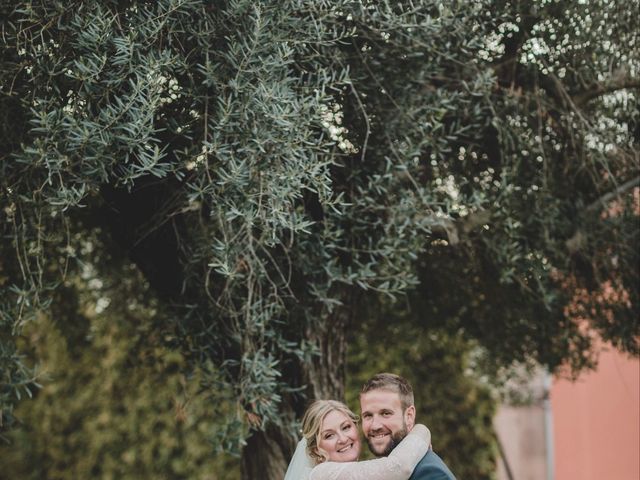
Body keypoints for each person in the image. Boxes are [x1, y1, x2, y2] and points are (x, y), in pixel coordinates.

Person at [284, 399, 431, 480]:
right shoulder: (322, 474)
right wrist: (421, 430)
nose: (342, 439)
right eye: (329, 435)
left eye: (346, 427)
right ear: (316, 450)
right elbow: (399, 467)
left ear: (355, 427)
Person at [360, 373, 455, 480]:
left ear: (409, 416)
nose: (375, 426)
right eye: (368, 415)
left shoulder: (431, 474)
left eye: (386, 413)